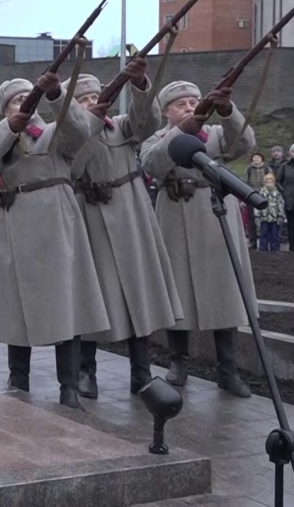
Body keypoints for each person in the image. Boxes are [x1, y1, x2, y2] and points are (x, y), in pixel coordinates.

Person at [0, 73, 109, 409]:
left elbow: (79, 134)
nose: (24, 104)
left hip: (60, 220)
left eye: (27, 97)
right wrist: (9, 129)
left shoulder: (54, 130)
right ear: (5, 110)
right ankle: (18, 378)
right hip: (18, 222)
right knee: (16, 306)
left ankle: (69, 386)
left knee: (68, 303)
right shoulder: (4, 138)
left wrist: (58, 94)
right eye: (16, 100)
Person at [67, 63, 183, 399]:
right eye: (83, 99)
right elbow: (72, 165)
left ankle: (141, 372)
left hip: (130, 214)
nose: (91, 102)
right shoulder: (65, 134)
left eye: (95, 96)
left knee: (138, 291)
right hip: (90, 216)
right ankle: (87, 371)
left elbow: (146, 122)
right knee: (91, 294)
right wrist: (88, 125)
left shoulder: (119, 127)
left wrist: (139, 85)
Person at [140, 80, 256, 398]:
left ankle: (228, 370)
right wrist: (184, 131)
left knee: (225, 291)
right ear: (166, 111)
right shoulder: (159, 138)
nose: (189, 108)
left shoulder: (217, 135)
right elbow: (153, 164)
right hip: (175, 214)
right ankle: (178, 362)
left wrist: (227, 111)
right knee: (178, 292)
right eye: (181, 104)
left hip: (215, 213)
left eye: (193, 102)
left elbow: (244, 141)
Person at [243, 153, 271, 249]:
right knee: (251, 221)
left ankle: (265, 243)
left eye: (258, 157)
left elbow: (271, 182)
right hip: (252, 197)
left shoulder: (267, 169)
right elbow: (245, 183)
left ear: (262, 159)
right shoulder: (248, 170)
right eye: (254, 157)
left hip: (264, 197)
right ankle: (252, 242)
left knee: (265, 219)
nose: (256, 159)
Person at [255, 172, 286, 252]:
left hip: (274, 219)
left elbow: (280, 205)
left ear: (274, 183)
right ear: (264, 183)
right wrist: (257, 216)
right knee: (263, 234)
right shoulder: (261, 193)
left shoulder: (277, 194)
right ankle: (263, 249)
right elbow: (257, 206)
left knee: (274, 235)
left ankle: (274, 249)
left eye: (271, 182)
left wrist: (280, 216)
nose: (269, 184)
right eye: (267, 182)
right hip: (264, 218)